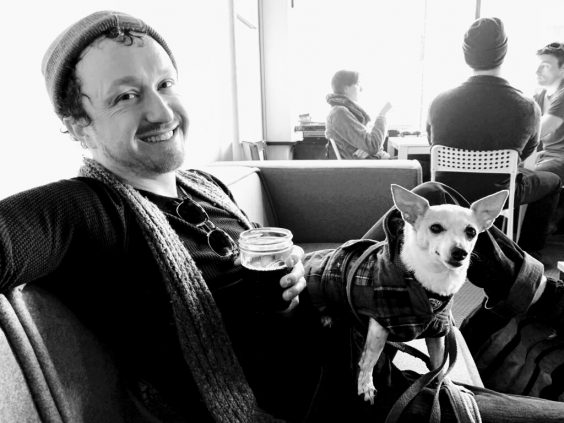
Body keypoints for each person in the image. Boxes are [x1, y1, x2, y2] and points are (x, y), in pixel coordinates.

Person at [3, 9, 564, 423]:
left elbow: (268, 290)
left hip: (339, 318)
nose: (159, 109)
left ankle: (540, 302)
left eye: (165, 84)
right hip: (334, 393)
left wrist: (297, 272)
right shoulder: (84, 210)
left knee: (435, 193)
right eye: (125, 96)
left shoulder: (201, 184)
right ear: (77, 125)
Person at [426, 17, 561, 258]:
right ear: (503, 53)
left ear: (466, 55)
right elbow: (525, 155)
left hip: (447, 192)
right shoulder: (528, 107)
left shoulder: (439, 103)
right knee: (552, 181)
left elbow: (432, 144)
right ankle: (529, 255)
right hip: (500, 195)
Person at [325, 70, 392, 160]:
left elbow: (369, 145)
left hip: (364, 162)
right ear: (346, 88)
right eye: (357, 84)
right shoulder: (340, 112)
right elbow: (372, 145)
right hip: (362, 165)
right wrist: (382, 115)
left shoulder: (343, 111)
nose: (361, 89)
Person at [534, 42, 564, 182]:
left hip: (560, 159)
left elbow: (537, 132)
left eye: (545, 66)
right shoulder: (540, 96)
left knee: (522, 177)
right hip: (545, 157)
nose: (537, 71)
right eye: (539, 65)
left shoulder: (562, 96)